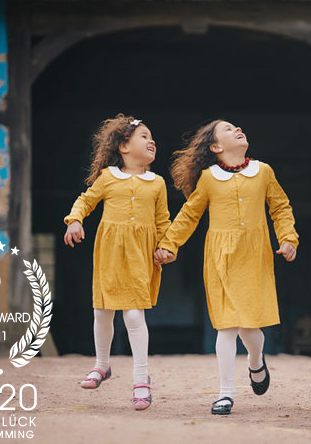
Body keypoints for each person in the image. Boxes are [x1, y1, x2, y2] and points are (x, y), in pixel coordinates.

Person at [154, 120, 298, 415]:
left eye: (237, 127)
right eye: (229, 129)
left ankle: (256, 361)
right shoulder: (209, 178)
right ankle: (225, 392)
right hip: (220, 258)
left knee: (251, 329)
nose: (238, 129)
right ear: (216, 147)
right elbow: (189, 215)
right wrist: (169, 244)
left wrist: (288, 238)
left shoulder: (264, 172)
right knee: (227, 326)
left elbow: (280, 207)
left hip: (253, 256)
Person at [63, 114, 171, 411]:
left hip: (140, 255)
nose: (152, 141)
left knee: (134, 315)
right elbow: (85, 201)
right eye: (144, 136)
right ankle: (102, 365)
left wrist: (166, 246)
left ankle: (140, 379)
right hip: (109, 253)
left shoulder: (157, 183)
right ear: (124, 146)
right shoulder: (108, 177)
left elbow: (163, 221)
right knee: (103, 310)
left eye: (152, 138)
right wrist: (74, 221)